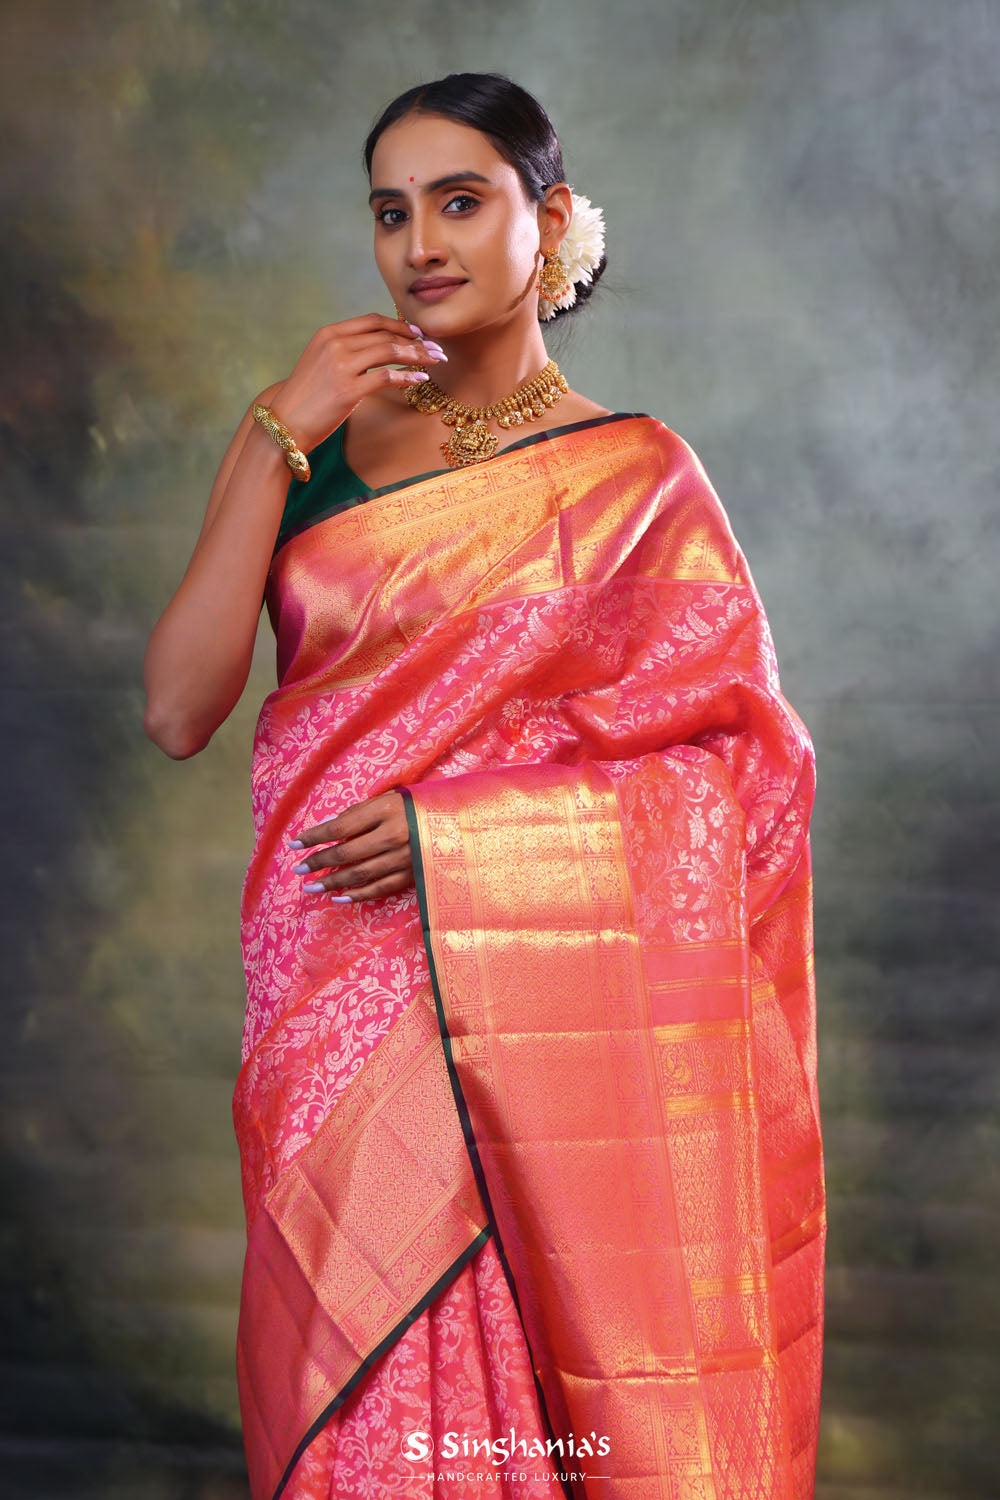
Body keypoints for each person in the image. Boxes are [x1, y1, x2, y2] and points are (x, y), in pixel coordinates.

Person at [143, 70, 826, 1500]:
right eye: (391, 213)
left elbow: (740, 777)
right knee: (349, 1385)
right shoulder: (308, 450)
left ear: (549, 220)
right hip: (331, 983)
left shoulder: (638, 481)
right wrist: (271, 431)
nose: (420, 246)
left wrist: (469, 844)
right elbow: (178, 708)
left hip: (539, 1012)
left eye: (461, 202)